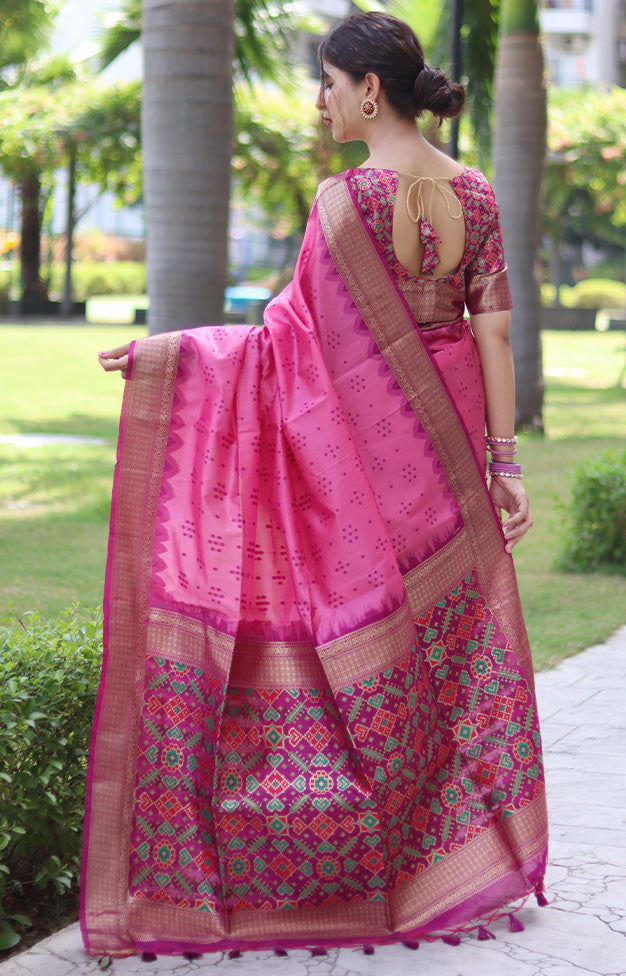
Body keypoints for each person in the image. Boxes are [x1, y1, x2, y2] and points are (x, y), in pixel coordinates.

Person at [83, 11, 547, 959]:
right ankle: (461, 853)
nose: (322, 100)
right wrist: (505, 464)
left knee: (356, 647)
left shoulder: (348, 202)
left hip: (371, 464)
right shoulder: (477, 191)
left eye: (329, 83)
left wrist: (172, 359)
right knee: (446, 657)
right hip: (453, 449)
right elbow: (494, 331)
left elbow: (290, 348)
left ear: (368, 89)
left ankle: (379, 864)